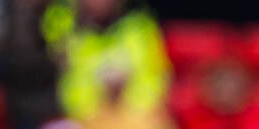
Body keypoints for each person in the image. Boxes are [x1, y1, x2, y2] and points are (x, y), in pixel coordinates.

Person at [41, 0, 171, 122]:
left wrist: (123, 99)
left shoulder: (141, 28)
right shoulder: (60, 27)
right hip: (78, 125)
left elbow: (156, 86)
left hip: (133, 122)